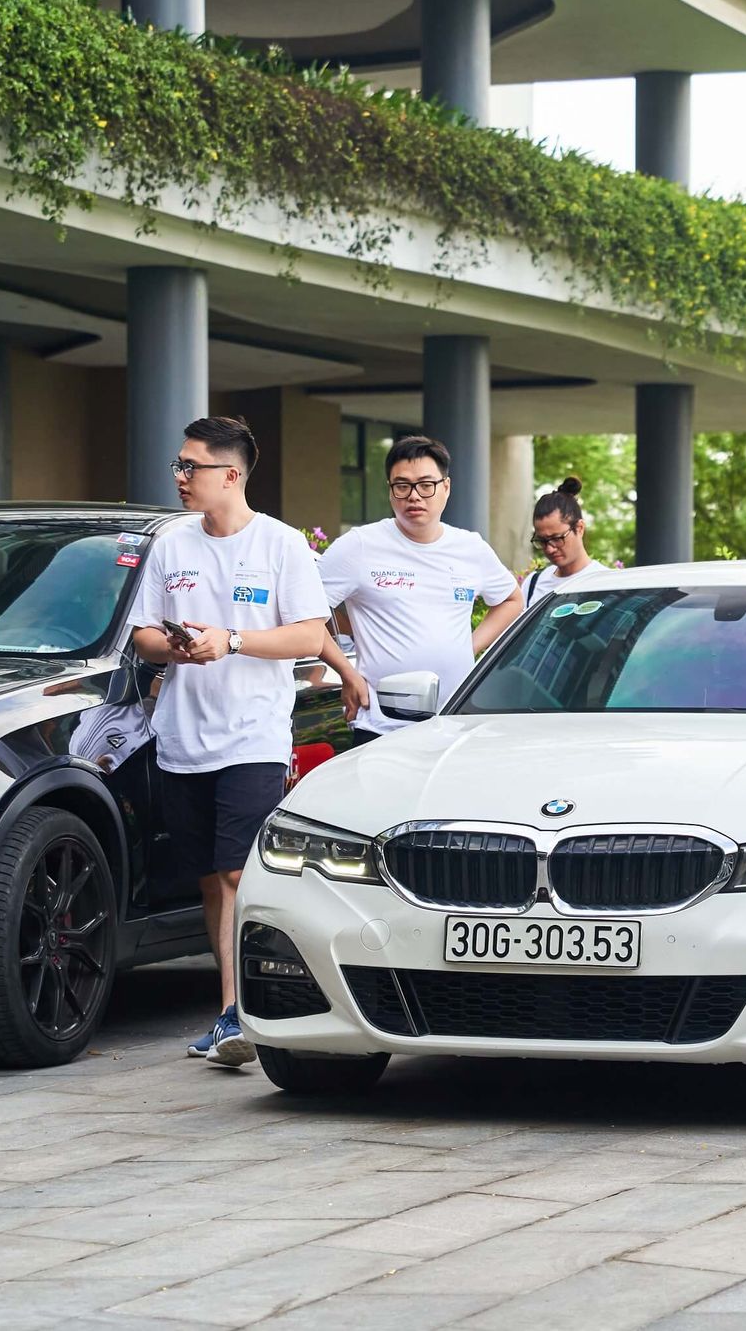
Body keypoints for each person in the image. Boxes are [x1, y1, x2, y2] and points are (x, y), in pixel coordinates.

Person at [129, 416, 329, 1068]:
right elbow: (144, 636)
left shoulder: (280, 544)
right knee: (213, 880)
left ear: (232, 474)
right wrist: (180, 647)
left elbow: (308, 634)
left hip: (253, 737)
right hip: (181, 738)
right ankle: (227, 1012)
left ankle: (244, 1011)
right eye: (179, 465)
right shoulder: (172, 546)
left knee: (242, 871)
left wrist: (233, 640)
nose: (181, 476)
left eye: (193, 466)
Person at [317, 436, 521, 745]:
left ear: (446, 488)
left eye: (426, 485)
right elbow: (303, 613)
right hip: (381, 726)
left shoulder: (470, 548)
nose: (414, 496)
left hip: (455, 721)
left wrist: (468, 647)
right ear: (390, 490)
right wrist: (346, 671)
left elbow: (511, 599)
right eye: (402, 486)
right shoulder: (359, 546)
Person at [522, 477, 603, 607]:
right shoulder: (533, 584)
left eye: (557, 538)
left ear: (580, 528)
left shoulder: (606, 583)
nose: (549, 549)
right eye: (542, 541)